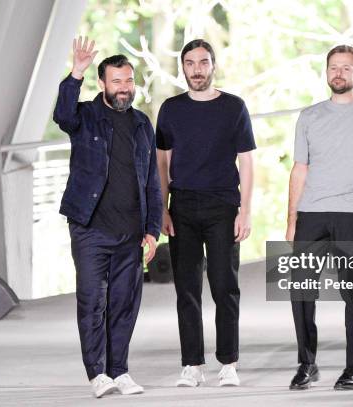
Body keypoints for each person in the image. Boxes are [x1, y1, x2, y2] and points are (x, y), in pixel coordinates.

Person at [53, 36, 162, 398]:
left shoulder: (143, 124)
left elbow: (152, 182)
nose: (124, 88)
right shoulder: (84, 116)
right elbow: (62, 116)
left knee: (124, 304)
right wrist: (76, 73)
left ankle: (120, 370)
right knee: (92, 300)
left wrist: (152, 230)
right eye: (116, 81)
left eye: (128, 80)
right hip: (90, 228)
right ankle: (97, 373)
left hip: (131, 232)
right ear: (103, 84)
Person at [285, 44, 353, 391]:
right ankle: (307, 363)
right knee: (301, 291)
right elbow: (299, 169)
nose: (338, 73)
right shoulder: (309, 116)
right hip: (311, 214)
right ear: (326, 72)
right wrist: (291, 220)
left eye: (345, 68)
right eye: (333, 67)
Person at [155, 39, 256, 388]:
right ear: (182, 67)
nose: (197, 69)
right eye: (190, 63)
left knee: (225, 284)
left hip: (223, 205)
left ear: (214, 65)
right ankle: (192, 365)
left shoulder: (234, 107)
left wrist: (245, 211)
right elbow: (162, 163)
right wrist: (161, 210)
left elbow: (247, 161)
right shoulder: (170, 109)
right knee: (186, 288)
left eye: (203, 62)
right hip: (181, 206)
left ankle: (228, 362)